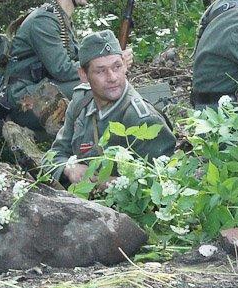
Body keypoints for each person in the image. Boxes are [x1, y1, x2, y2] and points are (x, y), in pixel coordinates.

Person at [3, 0, 133, 135]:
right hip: (24, 100)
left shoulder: (59, 18)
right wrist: (104, 67)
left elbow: (80, 60)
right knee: (95, 85)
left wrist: (111, 61)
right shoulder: (43, 21)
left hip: (43, 91)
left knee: (105, 81)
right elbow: (63, 69)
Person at [45, 30, 176, 186]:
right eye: (101, 71)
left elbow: (164, 182)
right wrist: (70, 168)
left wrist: (107, 183)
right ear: (84, 75)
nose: (112, 77)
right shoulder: (81, 102)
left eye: (117, 67)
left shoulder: (142, 118)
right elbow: (52, 156)